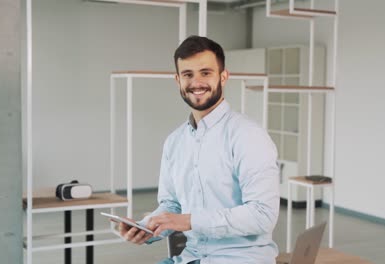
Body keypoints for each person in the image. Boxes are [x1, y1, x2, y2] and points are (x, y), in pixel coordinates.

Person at [118, 35, 280, 264]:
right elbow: (171, 205)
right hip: (190, 258)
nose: (196, 82)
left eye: (206, 73)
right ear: (178, 80)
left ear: (223, 77)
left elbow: (263, 215)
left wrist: (190, 221)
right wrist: (146, 227)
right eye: (187, 74)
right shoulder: (174, 142)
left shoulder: (248, 136)